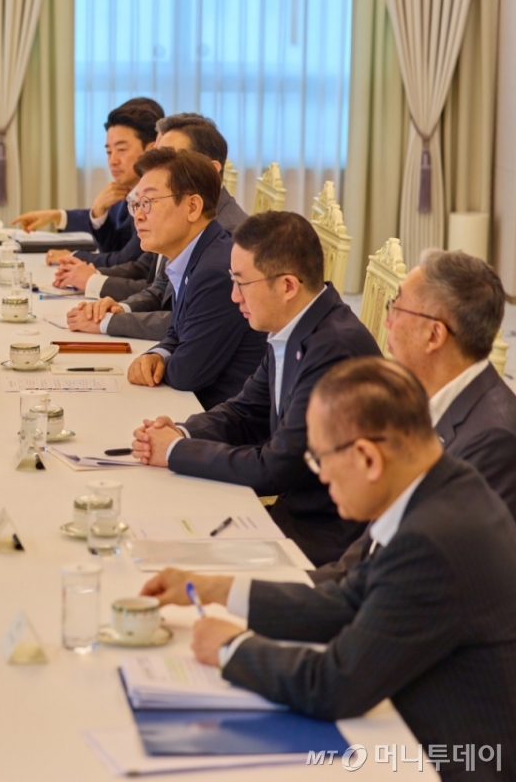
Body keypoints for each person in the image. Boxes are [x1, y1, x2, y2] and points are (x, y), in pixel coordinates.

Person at [140, 358, 516, 779]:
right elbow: (347, 600)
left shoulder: (431, 542)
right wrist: (214, 588)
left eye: (320, 461)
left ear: (367, 458)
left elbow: (336, 684)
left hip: (454, 758)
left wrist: (233, 648)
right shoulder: (443, 485)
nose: (321, 477)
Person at [131, 212, 379, 565]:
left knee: (164, 558)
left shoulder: (333, 350)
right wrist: (179, 431)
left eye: (241, 283)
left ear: (288, 285)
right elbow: (246, 411)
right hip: (292, 514)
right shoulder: (296, 324)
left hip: (321, 539)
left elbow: (275, 468)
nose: (234, 297)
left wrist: (175, 452)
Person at [313, 249, 516, 581]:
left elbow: (426, 573)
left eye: (396, 307)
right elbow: (374, 543)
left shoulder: (494, 439)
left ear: (434, 335)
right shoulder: (421, 399)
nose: (387, 320)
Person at [65, 114, 249, 339]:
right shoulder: (175, 218)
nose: (160, 167)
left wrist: (111, 322)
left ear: (210, 170)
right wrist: (120, 308)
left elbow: (193, 321)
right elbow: (161, 288)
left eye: (173, 158)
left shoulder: (228, 236)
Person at [121, 147, 265, 409]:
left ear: (193, 207)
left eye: (149, 203)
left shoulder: (216, 271)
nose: (139, 215)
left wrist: (162, 362)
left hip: (225, 418)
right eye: (137, 204)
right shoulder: (195, 255)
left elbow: (187, 373)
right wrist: (158, 353)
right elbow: (177, 333)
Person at [12, 98, 163, 266]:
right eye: (108, 151)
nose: (112, 161)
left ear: (151, 150)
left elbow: (127, 261)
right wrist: (60, 215)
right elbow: (112, 247)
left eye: (121, 150)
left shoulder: (155, 199)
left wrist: (75, 256)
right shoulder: (127, 191)